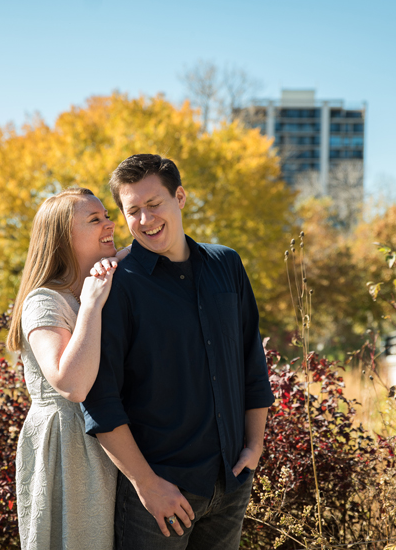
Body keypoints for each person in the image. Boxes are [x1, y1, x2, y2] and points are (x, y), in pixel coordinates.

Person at [81, 154, 275, 549]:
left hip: (231, 484)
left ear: (180, 197)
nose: (146, 220)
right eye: (133, 211)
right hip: (159, 497)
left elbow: (252, 364)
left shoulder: (227, 265)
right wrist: (146, 484)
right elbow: (100, 400)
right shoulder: (117, 286)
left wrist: (253, 447)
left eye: (154, 205)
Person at [7, 187, 125, 550]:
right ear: (62, 239)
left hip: (113, 439)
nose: (110, 223)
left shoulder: (105, 280)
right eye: (95, 220)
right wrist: (90, 304)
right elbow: (72, 385)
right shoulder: (44, 301)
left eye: (107, 215)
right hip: (67, 447)